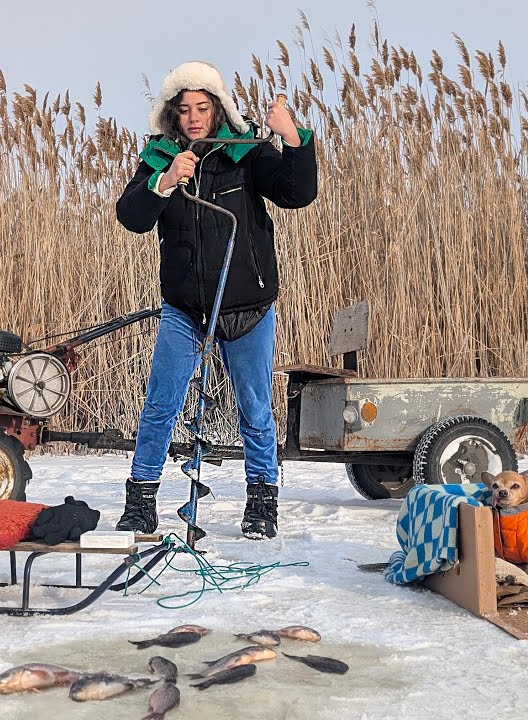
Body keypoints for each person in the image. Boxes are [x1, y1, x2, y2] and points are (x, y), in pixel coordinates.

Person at [114, 60, 318, 540]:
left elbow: (297, 192)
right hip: (186, 307)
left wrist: (293, 139)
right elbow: (131, 216)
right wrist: (164, 182)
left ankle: (262, 502)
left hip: (247, 307)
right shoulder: (159, 158)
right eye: (184, 109)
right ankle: (141, 501)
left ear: (218, 109)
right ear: (172, 115)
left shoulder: (245, 154)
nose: (193, 117)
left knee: (254, 406)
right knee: (161, 403)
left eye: (202, 107)